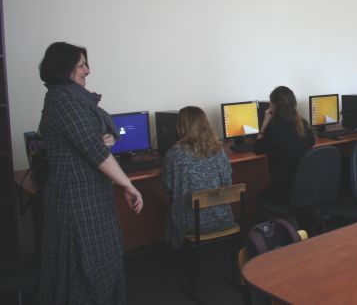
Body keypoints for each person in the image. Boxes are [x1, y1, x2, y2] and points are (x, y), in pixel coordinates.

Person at [38, 42, 143, 305]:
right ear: (64, 68)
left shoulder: (77, 99)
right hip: (76, 202)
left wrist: (108, 137)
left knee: (104, 265)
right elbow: (93, 151)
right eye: (82, 65)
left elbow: (100, 131)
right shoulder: (62, 100)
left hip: (93, 198)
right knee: (87, 272)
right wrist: (128, 184)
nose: (88, 70)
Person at [162, 106, 236, 249]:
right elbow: (228, 183)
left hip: (190, 226)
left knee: (172, 205)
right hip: (222, 219)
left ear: (180, 128)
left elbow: (168, 189)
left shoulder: (174, 155)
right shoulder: (220, 151)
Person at [254, 86, 315, 204]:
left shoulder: (275, 127)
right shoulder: (302, 123)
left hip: (284, 190)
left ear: (274, 106)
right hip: (305, 186)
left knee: (260, 197)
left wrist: (265, 123)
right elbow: (312, 142)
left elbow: (258, 149)